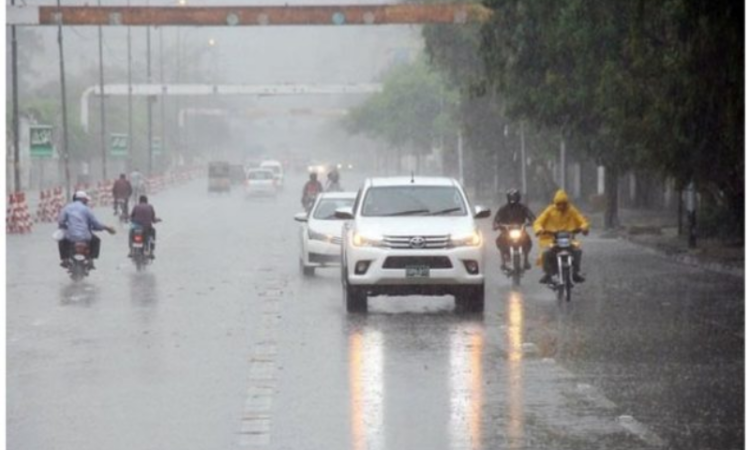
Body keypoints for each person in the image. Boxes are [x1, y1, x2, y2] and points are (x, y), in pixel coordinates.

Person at [533, 189, 590, 284]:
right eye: (559, 204)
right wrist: (539, 229)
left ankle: (575, 272)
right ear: (555, 203)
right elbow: (538, 222)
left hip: (569, 238)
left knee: (577, 251)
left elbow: (582, 220)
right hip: (552, 239)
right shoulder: (549, 210)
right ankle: (548, 274)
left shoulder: (571, 210)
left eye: (564, 204)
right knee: (546, 253)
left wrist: (583, 227)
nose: (561, 206)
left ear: (567, 203)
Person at [57, 191, 116, 269]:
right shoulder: (86, 209)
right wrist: (107, 228)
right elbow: (96, 224)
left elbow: (61, 221)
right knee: (96, 240)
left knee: (61, 241)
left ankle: (65, 259)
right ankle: (91, 259)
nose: (87, 202)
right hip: (85, 237)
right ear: (83, 200)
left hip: (71, 237)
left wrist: (66, 227)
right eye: (86, 200)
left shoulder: (67, 208)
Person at [493, 189, 536, 271]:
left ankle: (526, 260)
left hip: (521, 231)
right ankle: (503, 261)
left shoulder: (523, 208)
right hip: (506, 232)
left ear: (518, 198)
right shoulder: (503, 208)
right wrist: (497, 225)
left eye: (514, 197)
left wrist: (532, 222)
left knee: (528, 241)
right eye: (511, 197)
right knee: (499, 240)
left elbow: (531, 217)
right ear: (508, 198)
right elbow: (496, 219)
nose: (513, 199)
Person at [129, 195, 160, 259]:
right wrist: (157, 220)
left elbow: (131, 217)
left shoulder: (136, 206)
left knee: (130, 234)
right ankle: (151, 251)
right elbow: (153, 219)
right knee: (153, 233)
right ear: (146, 201)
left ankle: (131, 250)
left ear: (139, 201)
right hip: (147, 228)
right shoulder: (150, 207)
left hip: (136, 228)